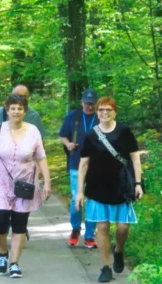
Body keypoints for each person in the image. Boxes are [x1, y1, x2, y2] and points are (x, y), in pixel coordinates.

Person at [0, 95, 51, 278]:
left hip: (25, 184)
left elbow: (41, 158)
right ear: (7, 110)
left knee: (20, 224)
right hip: (0, 184)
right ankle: (3, 254)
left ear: (25, 111)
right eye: (13, 108)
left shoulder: (33, 131)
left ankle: (14, 263)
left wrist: (47, 183)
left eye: (20, 108)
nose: (16, 111)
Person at [75, 97, 143, 283]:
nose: (104, 113)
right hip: (97, 187)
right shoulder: (90, 135)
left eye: (108, 110)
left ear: (115, 111)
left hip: (121, 186)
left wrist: (138, 183)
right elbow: (83, 165)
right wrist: (80, 192)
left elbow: (135, 159)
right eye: (101, 110)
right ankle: (106, 267)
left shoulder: (124, 131)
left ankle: (118, 250)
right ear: (96, 112)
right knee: (102, 226)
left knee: (123, 227)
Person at [59, 89, 99, 248]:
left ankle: (90, 235)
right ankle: (75, 229)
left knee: (94, 200)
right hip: (76, 163)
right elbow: (62, 135)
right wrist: (68, 144)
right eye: (87, 103)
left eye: (92, 103)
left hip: (97, 165)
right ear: (82, 102)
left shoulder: (100, 117)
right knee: (77, 198)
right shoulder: (73, 116)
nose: (89, 106)